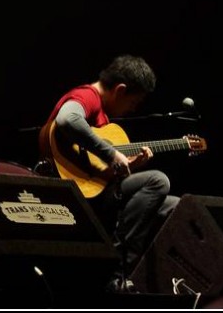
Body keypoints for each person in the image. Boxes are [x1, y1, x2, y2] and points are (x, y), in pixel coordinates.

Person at [39, 54, 180, 293]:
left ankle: (147, 279)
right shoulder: (87, 96)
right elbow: (67, 119)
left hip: (97, 188)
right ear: (120, 90)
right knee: (158, 180)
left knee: (175, 206)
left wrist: (130, 166)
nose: (131, 109)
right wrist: (112, 155)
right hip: (76, 194)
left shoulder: (102, 114)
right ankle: (115, 269)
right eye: (133, 103)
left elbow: (103, 175)